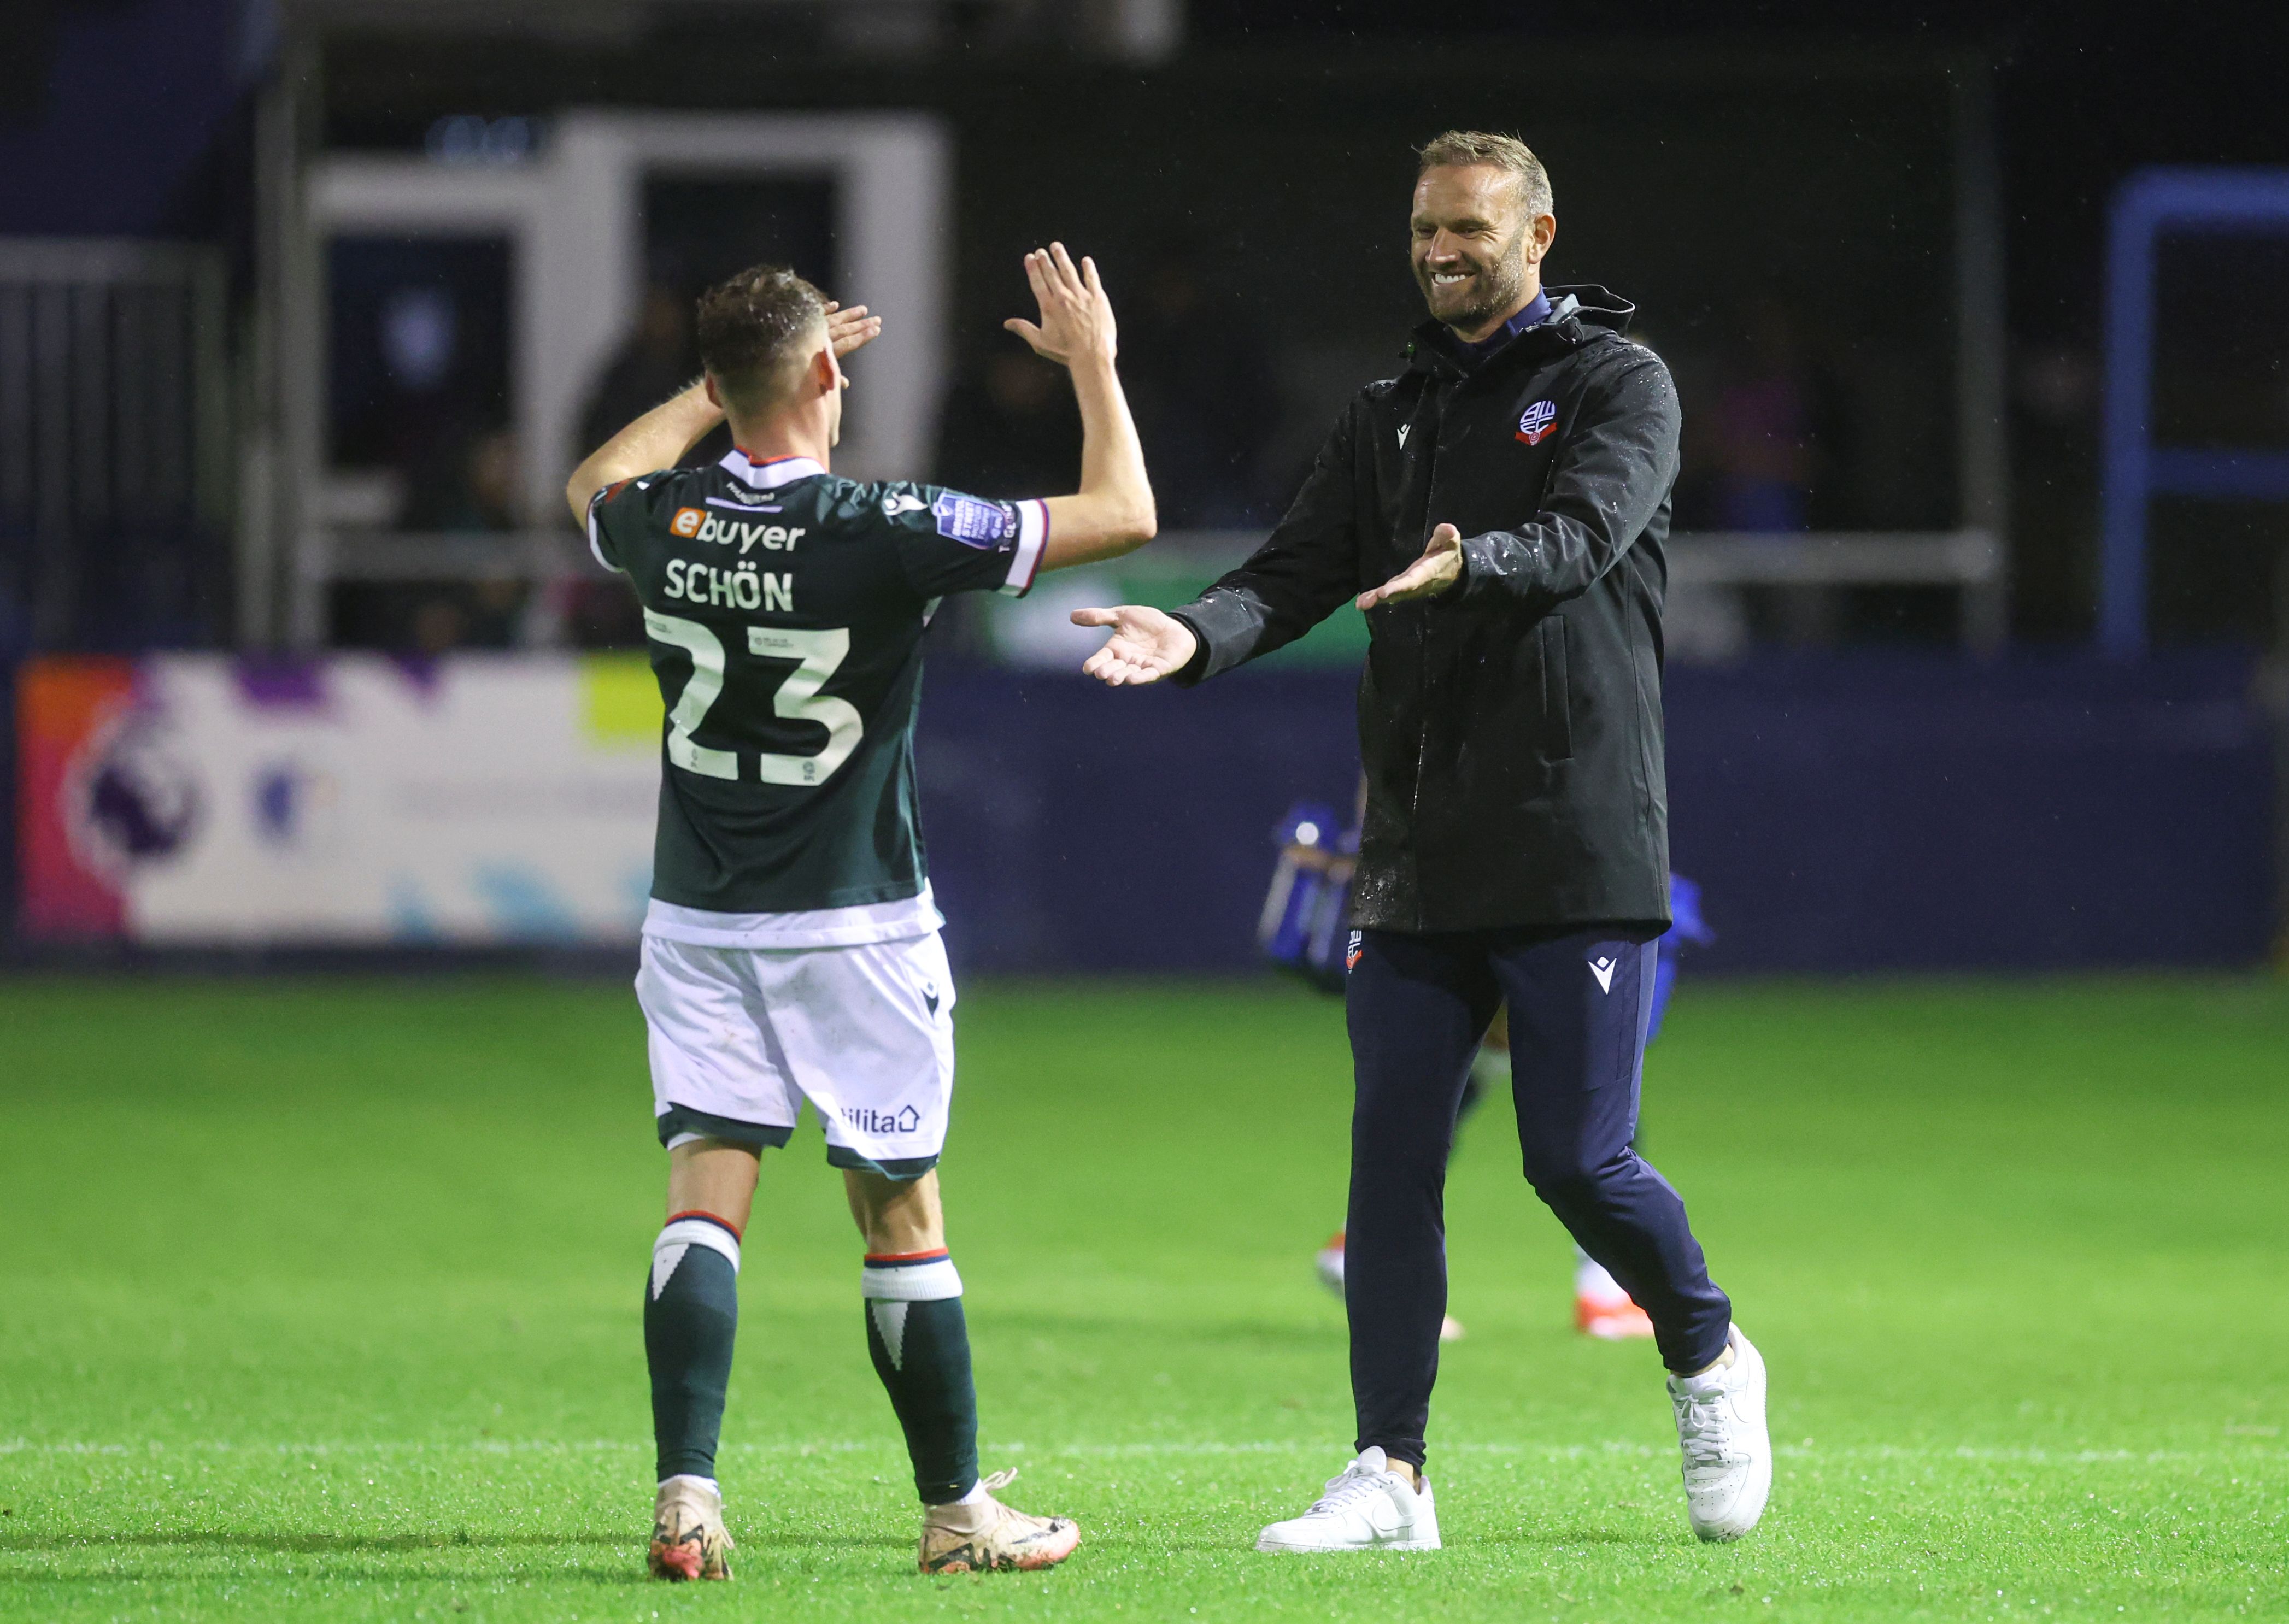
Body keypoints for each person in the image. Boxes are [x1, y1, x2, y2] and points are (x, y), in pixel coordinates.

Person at [1071, 131, 1771, 1551]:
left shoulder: (1615, 385)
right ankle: (1389, 1474)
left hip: (1573, 836)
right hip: (1414, 846)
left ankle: (1705, 1349)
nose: (1442, 254)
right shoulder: (1386, 411)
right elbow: (1290, 574)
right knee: (1389, 1158)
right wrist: (1190, 632)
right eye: (1423, 233)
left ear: (1538, 233)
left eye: (1468, 230)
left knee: (1575, 1161)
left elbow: (1579, 540)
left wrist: (1471, 562)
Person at [565, 245, 1156, 1580]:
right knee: (899, 1215)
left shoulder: (666, 519)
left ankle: (687, 1499)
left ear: (722, 387)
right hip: (853, 923)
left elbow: (591, 484)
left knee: (703, 1202)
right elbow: (1123, 513)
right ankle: (957, 1514)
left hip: (702, 920)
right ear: (831, 371)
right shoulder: (883, 525)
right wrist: (1096, 365)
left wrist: (713, 393)